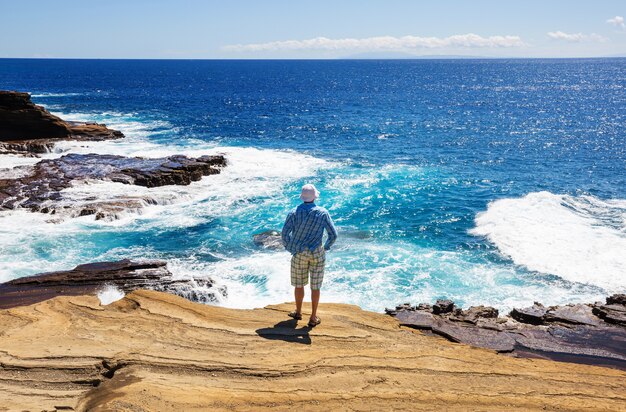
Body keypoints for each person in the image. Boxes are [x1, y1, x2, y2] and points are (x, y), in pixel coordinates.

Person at [281, 184, 337, 327]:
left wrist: (290, 247)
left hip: (299, 252)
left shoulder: (293, 212)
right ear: (314, 197)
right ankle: (312, 317)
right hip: (317, 252)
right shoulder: (323, 213)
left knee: (299, 285)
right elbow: (333, 235)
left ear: (302, 197)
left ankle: (298, 312)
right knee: (315, 286)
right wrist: (326, 247)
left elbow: (284, 234)